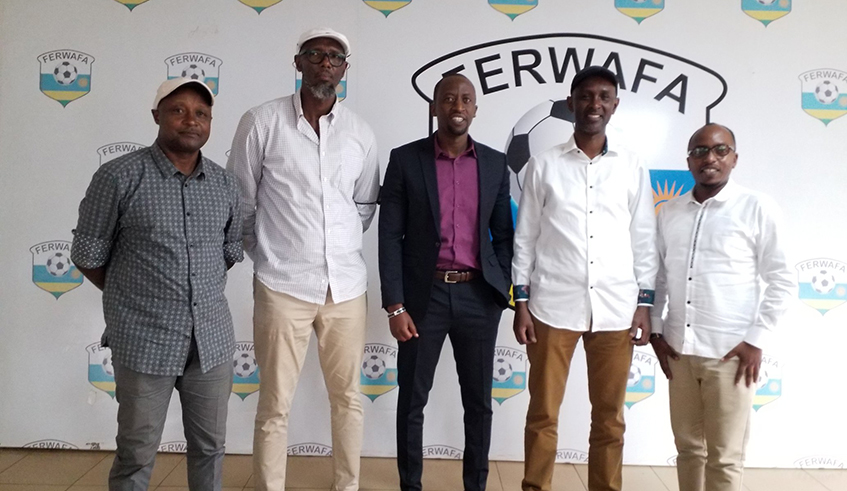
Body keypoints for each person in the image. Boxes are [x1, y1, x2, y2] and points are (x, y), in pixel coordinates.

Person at [71, 77, 243, 490]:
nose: (191, 120)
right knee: (137, 450)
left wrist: (190, 293)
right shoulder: (118, 177)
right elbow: (88, 256)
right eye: (178, 110)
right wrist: (136, 295)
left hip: (211, 343)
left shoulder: (225, 185)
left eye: (202, 113)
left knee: (210, 447)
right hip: (143, 339)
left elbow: (229, 252)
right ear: (156, 116)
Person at [226, 27, 379, 491]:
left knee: (348, 399)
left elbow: (365, 205)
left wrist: (336, 247)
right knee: (274, 403)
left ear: (345, 70)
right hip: (282, 286)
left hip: (346, 288)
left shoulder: (360, 132)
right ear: (298, 63)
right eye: (315, 55)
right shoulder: (261, 122)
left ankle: (346, 486)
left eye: (335, 58)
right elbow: (242, 204)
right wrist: (270, 255)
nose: (325, 64)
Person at [511, 66, 658, 491]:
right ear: (572, 102)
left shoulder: (632, 167)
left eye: (604, 97)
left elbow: (643, 238)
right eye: (586, 96)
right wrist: (521, 302)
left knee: (610, 419)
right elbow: (527, 238)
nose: (595, 104)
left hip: (615, 309)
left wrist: (644, 304)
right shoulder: (543, 164)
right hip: (551, 307)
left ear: (615, 105)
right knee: (542, 413)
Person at [379, 73, 514, 491]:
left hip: (479, 297)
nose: (458, 105)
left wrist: (500, 286)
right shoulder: (405, 159)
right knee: (412, 401)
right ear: (434, 106)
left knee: (479, 404)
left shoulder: (494, 163)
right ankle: (410, 486)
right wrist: (395, 304)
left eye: (467, 99)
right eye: (449, 98)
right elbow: (389, 236)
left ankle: (476, 485)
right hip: (424, 298)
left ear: (475, 108)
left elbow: (504, 235)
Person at [650, 123, 794, 491]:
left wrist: (755, 340)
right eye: (699, 151)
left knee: (726, 457)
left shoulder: (756, 207)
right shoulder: (670, 212)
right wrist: (655, 330)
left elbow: (782, 280)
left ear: (734, 158)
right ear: (688, 160)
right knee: (687, 450)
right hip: (679, 353)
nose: (709, 158)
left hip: (730, 355)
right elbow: (661, 278)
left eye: (719, 150)